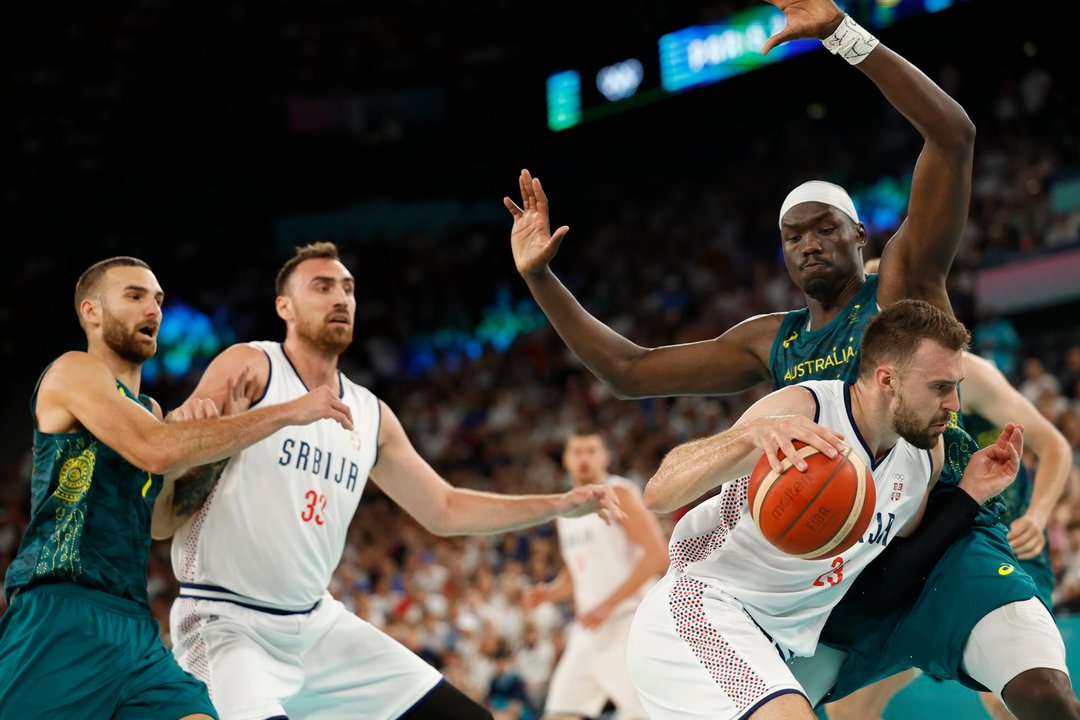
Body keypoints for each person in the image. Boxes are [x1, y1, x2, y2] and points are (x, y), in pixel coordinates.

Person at [505, 0, 1080, 715]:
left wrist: (843, 35)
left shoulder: (903, 286)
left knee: (1036, 696)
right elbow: (626, 372)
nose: (808, 244)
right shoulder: (767, 339)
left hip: (939, 523)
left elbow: (954, 136)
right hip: (834, 557)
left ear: (861, 238)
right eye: (792, 236)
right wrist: (539, 279)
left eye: (823, 230)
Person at [163, 242, 626, 720]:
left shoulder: (370, 414)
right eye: (322, 287)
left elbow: (445, 509)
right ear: (284, 306)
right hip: (226, 623)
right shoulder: (252, 366)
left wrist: (558, 503)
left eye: (348, 288)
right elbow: (172, 472)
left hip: (315, 625)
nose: (340, 298)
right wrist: (241, 429)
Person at [627, 300, 1027, 719]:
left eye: (955, 385)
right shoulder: (804, 411)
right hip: (703, 608)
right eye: (939, 387)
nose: (954, 404)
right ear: (888, 380)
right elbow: (659, 493)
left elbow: (898, 570)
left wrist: (970, 493)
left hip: (782, 647)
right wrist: (750, 436)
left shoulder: (925, 457)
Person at [0, 256, 354, 718]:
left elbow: (163, 520)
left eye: (158, 299)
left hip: (133, 625)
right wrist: (287, 410)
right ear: (91, 311)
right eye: (134, 296)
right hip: (60, 610)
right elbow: (156, 449)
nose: (153, 308)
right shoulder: (74, 371)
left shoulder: (150, 410)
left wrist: (217, 445)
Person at [824, 345, 1073, 720]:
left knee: (1012, 695)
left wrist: (1037, 517)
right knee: (849, 709)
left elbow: (1052, 444)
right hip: (925, 558)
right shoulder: (865, 388)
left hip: (1001, 545)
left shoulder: (967, 375)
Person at [523, 429, 667, 720]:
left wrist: (607, 605)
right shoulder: (567, 509)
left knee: (647, 714)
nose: (584, 458)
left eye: (591, 450)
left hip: (627, 622)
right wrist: (549, 592)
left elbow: (657, 556)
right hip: (589, 628)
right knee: (558, 713)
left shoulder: (620, 493)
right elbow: (578, 573)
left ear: (605, 457)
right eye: (577, 452)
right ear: (566, 460)